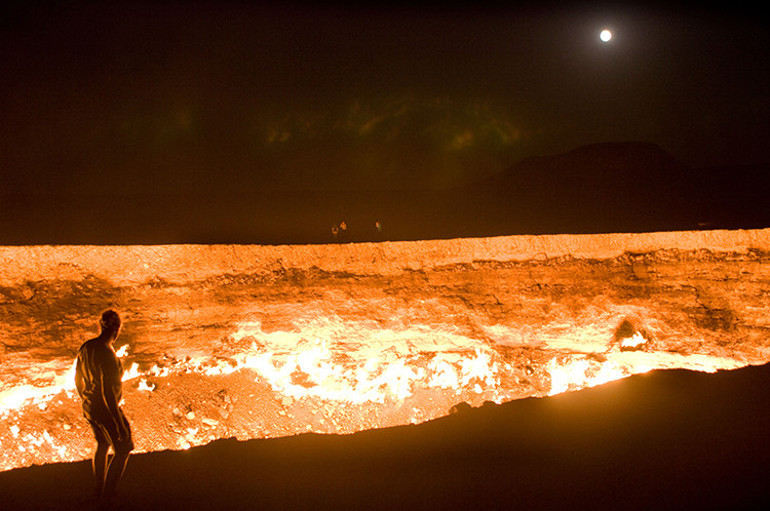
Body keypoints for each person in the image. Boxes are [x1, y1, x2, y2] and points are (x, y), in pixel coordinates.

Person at [75, 309, 134, 503]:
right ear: (116, 329)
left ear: (101, 326)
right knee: (123, 447)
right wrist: (117, 421)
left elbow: (78, 379)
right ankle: (107, 497)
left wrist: (85, 399)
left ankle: (99, 488)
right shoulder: (107, 354)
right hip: (105, 409)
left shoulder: (86, 347)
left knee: (102, 444)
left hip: (90, 406)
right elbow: (108, 392)